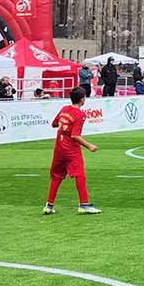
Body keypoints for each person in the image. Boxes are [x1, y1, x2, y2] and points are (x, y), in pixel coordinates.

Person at [43, 86, 101, 215]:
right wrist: (89, 146)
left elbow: (54, 124)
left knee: (56, 177)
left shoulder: (64, 109)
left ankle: (49, 205)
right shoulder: (80, 114)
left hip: (59, 148)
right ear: (82, 100)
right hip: (71, 150)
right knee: (80, 175)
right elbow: (75, 135)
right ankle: (84, 204)